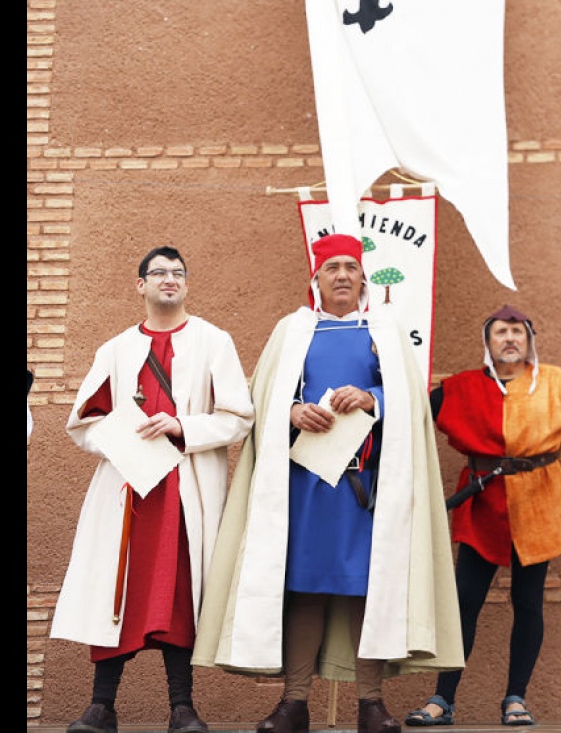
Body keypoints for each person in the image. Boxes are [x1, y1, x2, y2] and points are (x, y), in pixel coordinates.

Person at [192, 233, 464, 733]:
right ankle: (294, 703)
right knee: (307, 589)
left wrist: (371, 397)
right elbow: (264, 398)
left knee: (367, 589)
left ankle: (372, 704)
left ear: (364, 278)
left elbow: (408, 400)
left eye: (350, 267)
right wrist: (292, 411)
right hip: (306, 487)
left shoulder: (386, 330)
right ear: (315, 277)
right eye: (332, 267)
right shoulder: (292, 331)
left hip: (367, 490)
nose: (342, 274)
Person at [50, 246, 255, 733]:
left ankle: (182, 707)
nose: (170, 279)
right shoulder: (116, 349)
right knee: (116, 589)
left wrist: (181, 425)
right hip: (128, 488)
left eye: (178, 273)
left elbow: (239, 418)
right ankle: (101, 707)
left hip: (186, 490)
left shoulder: (214, 341)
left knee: (178, 592)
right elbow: (84, 422)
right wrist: (128, 438)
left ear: (186, 284)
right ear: (139, 285)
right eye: (158, 273)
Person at [404, 305, 561, 728]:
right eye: (501, 332)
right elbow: (412, 418)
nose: (509, 339)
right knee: (464, 602)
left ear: (528, 340)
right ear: (488, 342)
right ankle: (442, 699)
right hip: (483, 502)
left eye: (517, 331)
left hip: (539, 502)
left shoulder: (557, 382)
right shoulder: (460, 387)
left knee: (527, 602)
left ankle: (515, 698)